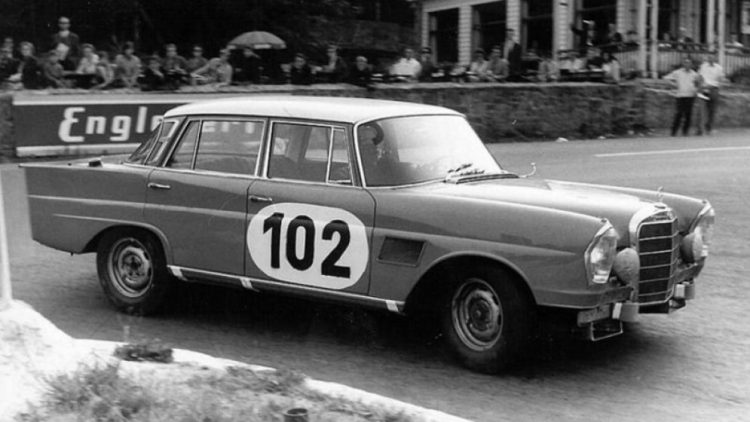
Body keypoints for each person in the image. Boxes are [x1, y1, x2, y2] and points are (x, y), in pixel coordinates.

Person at [663, 58, 701, 136]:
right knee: (679, 113)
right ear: (683, 64)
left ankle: (685, 131)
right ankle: (674, 131)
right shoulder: (678, 72)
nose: (687, 64)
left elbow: (698, 83)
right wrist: (674, 85)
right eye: (685, 63)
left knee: (688, 114)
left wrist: (695, 89)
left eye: (689, 63)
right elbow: (666, 78)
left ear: (691, 65)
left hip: (690, 96)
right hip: (680, 95)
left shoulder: (694, 74)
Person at [697, 52, 725, 135]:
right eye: (709, 57)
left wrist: (716, 88)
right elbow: (699, 76)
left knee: (712, 110)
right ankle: (700, 129)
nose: (710, 59)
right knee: (701, 110)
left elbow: (721, 80)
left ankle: (709, 128)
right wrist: (700, 87)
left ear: (715, 58)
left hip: (713, 89)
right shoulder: (703, 66)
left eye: (712, 57)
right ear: (707, 58)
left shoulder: (719, 68)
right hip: (703, 89)